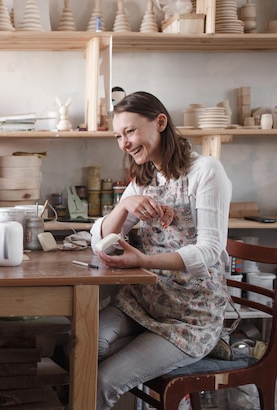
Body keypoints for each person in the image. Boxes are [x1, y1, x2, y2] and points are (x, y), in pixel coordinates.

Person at [90, 91, 232, 410]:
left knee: (101, 381)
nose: (124, 143)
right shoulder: (145, 179)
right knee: (82, 345)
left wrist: (144, 260)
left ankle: (187, 348)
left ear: (160, 123)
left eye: (130, 131)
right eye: (118, 136)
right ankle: (142, 351)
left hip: (192, 315)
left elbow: (210, 250)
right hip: (146, 301)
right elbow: (99, 238)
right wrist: (125, 206)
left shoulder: (207, 171)